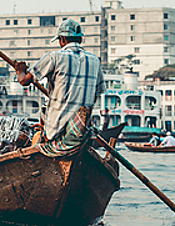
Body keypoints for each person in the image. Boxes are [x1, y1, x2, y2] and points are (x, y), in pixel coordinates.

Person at [14, 19, 106, 156]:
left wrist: (20, 70)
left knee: (36, 138)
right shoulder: (94, 60)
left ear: (62, 39)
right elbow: (97, 92)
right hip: (82, 131)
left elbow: (24, 81)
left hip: (55, 131)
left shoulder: (54, 57)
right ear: (80, 39)